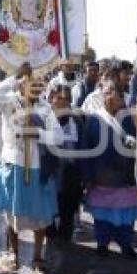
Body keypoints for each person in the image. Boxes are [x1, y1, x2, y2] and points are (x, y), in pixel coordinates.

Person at [0, 64, 64, 272]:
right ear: (21, 85)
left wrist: (38, 134)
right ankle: (14, 253)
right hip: (13, 164)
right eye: (27, 82)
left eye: (37, 84)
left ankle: (38, 255)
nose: (33, 86)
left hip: (38, 167)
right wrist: (16, 75)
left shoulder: (45, 108)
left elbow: (58, 137)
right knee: (12, 214)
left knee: (40, 216)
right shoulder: (9, 102)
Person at [80, 79, 137, 258]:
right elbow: (86, 148)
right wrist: (87, 176)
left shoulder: (130, 119)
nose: (110, 98)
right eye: (106, 94)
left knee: (126, 215)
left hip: (126, 178)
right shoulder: (94, 119)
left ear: (122, 98)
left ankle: (126, 245)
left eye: (113, 93)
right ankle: (102, 244)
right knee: (102, 215)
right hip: (101, 178)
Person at [46, 84, 82, 242]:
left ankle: (65, 235)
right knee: (48, 205)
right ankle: (49, 229)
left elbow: (83, 146)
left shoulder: (77, 119)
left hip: (70, 172)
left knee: (67, 206)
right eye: (59, 98)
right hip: (48, 170)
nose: (63, 102)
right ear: (51, 98)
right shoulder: (44, 117)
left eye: (67, 99)